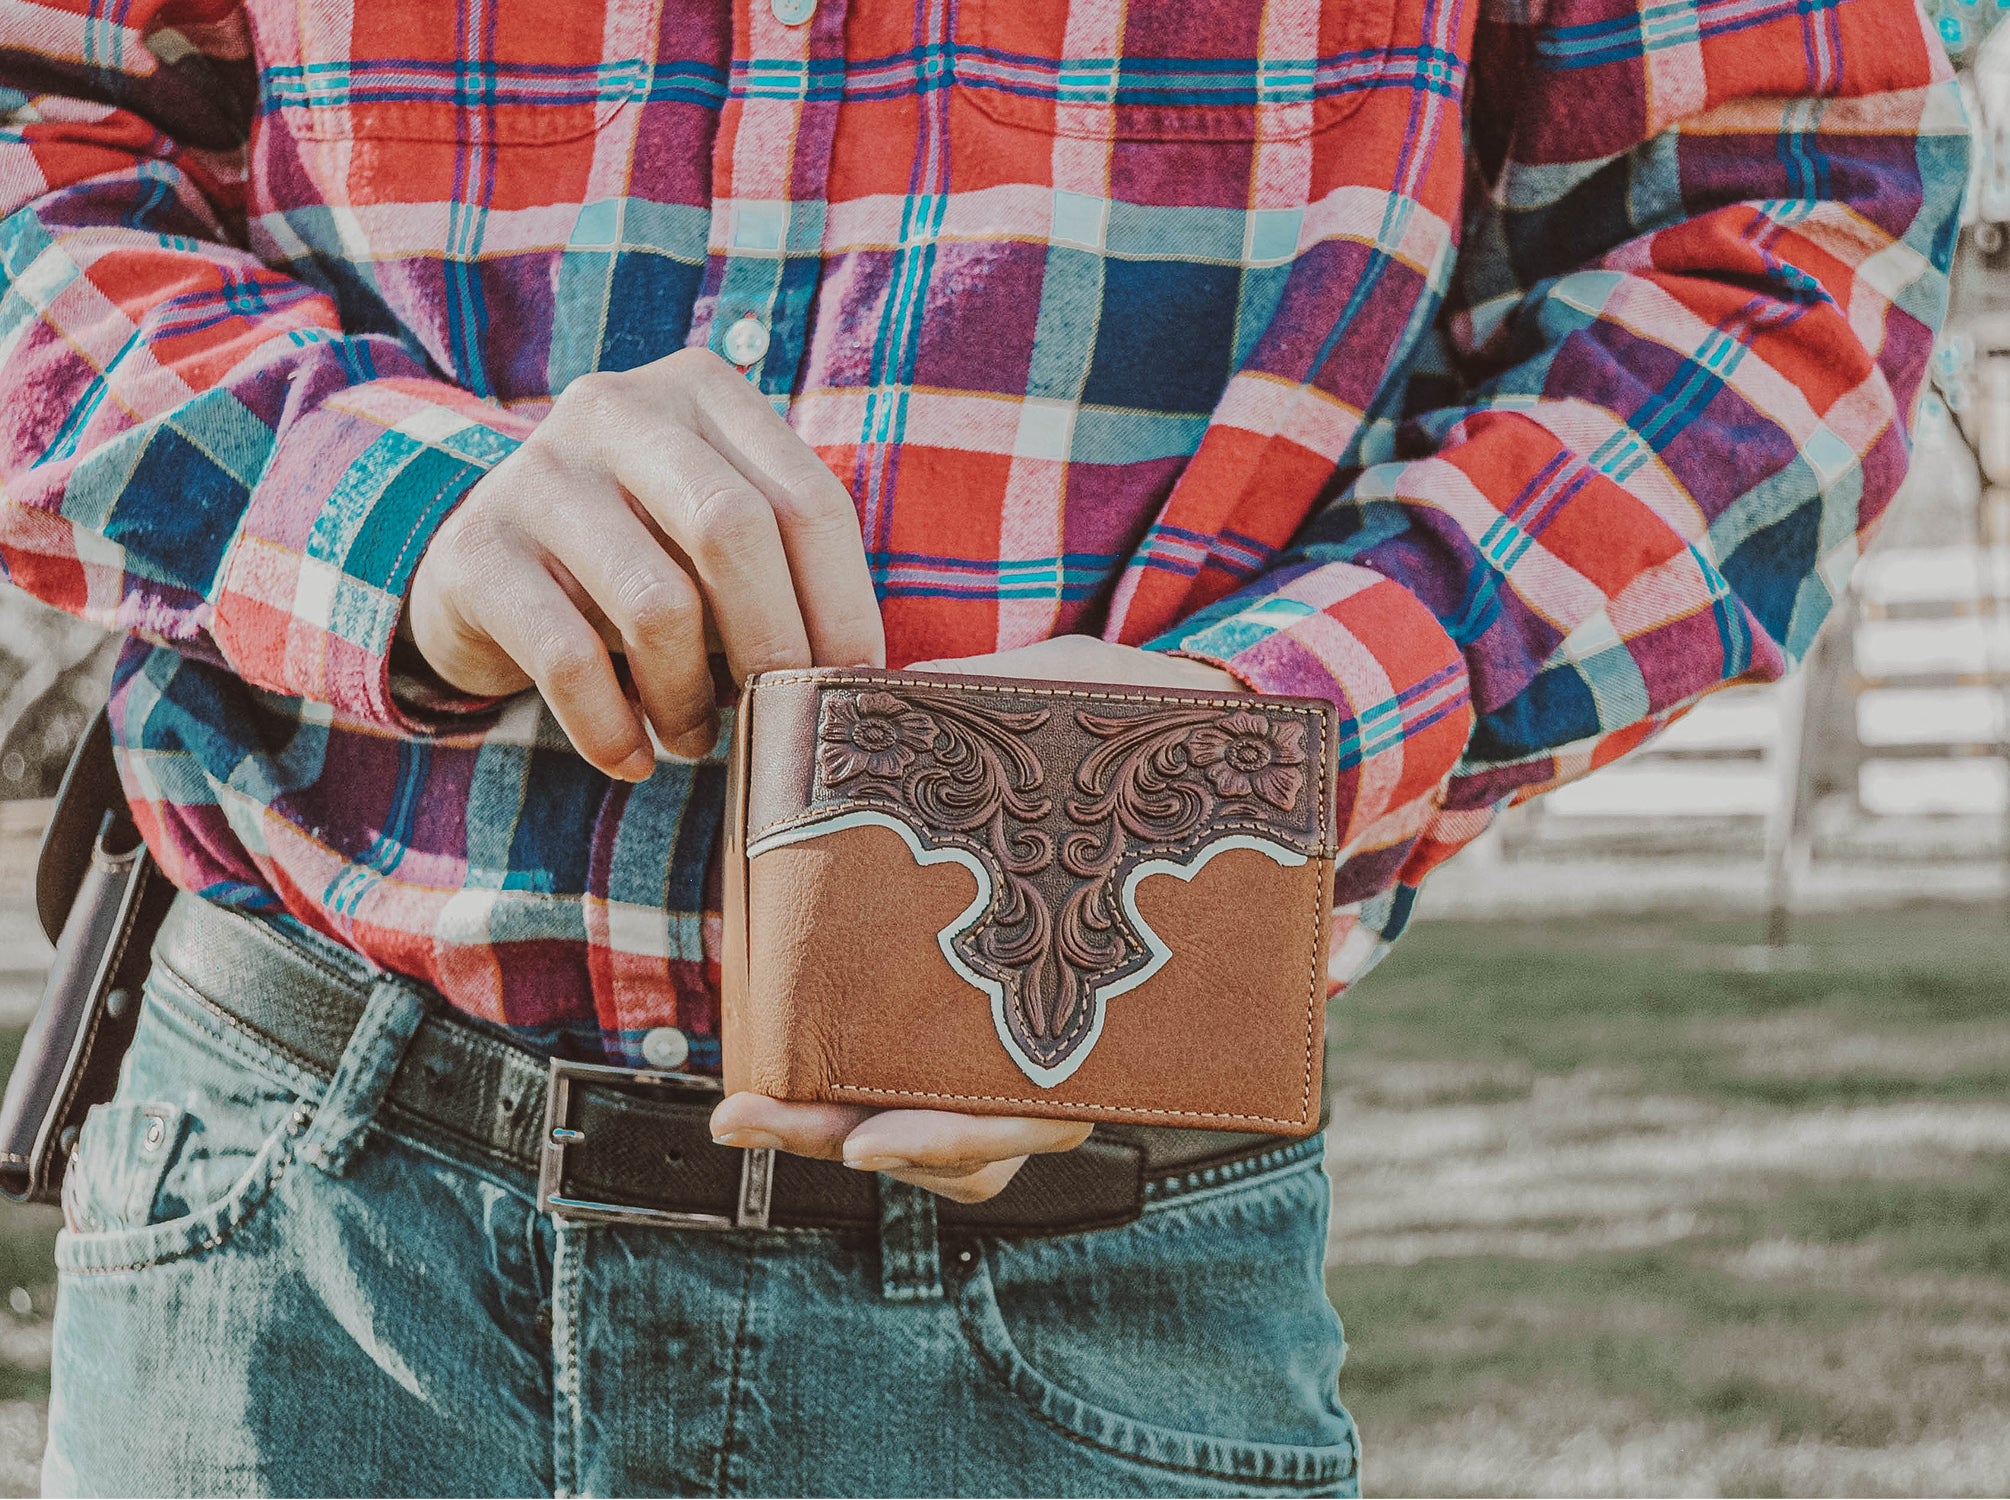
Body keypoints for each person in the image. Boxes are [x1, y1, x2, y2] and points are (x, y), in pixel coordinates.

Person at [0, 0, 1965, 1492]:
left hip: (1087, 1257)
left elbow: (1785, 237)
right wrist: (365, 498)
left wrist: (1264, 748)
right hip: (301, 1243)